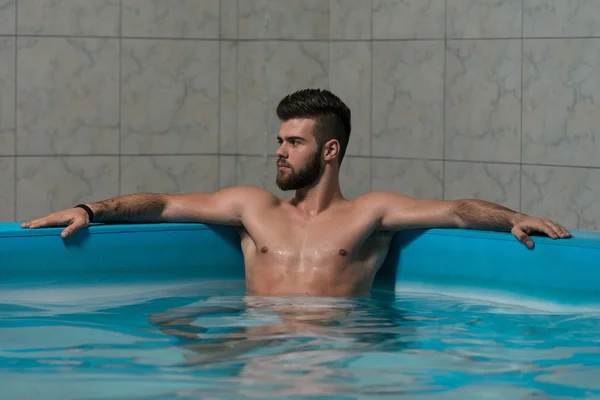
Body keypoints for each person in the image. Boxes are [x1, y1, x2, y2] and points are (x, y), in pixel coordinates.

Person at [21, 89, 572, 297]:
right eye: (279, 140)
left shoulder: (371, 213)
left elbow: (455, 210)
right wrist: (90, 209)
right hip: (253, 343)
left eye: (294, 141)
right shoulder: (250, 207)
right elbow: (163, 204)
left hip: (336, 352)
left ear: (329, 151)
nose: (280, 151)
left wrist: (510, 217)